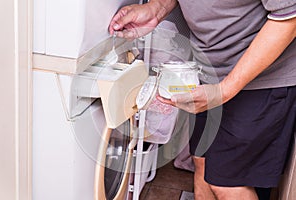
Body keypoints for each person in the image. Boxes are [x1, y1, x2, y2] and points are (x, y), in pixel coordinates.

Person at [109, 0, 296, 199]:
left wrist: (223, 91)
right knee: (202, 163)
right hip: (211, 72)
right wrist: (156, 9)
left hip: (261, 80)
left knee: (226, 184)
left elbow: (289, 18)